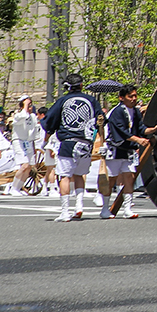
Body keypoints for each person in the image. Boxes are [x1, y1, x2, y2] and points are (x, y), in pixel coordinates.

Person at [44, 73, 101, 223]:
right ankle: (79, 206)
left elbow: (50, 119)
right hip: (86, 143)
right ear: (81, 85)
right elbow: (101, 119)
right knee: (79, 175)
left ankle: (65, 211)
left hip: (69, 142)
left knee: (65, 176)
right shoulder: (91, 100)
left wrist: (50, 130)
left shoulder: (63, 100)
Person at [102, 84, 147, 220]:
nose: (134, 99)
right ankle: (105, 208)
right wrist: (138, 140)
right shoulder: (117, 112)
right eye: (130, 96)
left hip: (129, 150)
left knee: (129, 178)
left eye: (135, 96)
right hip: (116, 149)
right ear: (122, 98)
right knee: (111, 179)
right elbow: (121, 131)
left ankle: (127, 209)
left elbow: (141, 128)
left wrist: (152, 130)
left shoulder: (136, 112)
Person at [9, 95, 38, 195]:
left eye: (30, 105)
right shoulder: (18, 115)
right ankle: (13, 188)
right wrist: (25, 105)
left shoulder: (33, 117)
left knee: (29, 167)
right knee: (24, 165)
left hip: (28, 142)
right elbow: (23, 116)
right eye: (28, 106)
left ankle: (18, 188)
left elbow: (34, 132)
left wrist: (34, 146)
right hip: (19, 141)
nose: (30, 108)